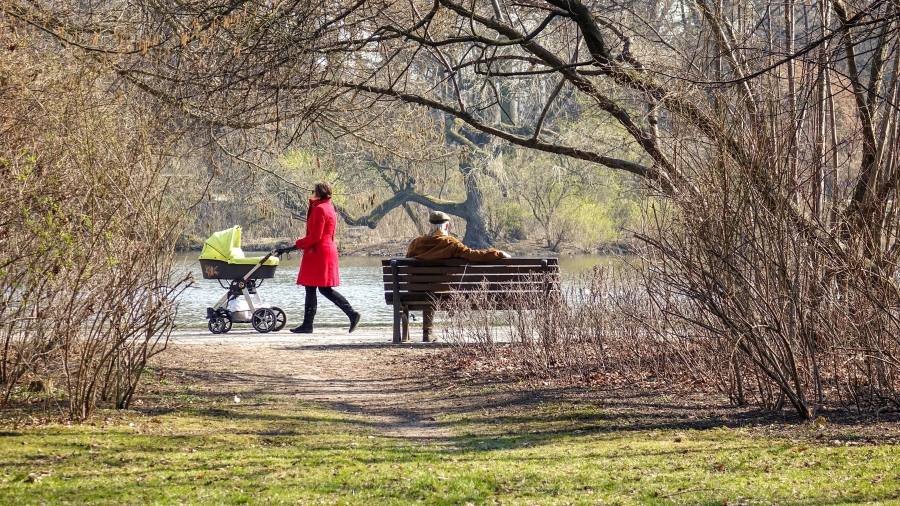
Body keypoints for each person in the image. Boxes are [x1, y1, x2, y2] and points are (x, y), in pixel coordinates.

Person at [406, 211, 510, 342]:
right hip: (441, 292)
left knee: (428, 287)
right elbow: (474, 255)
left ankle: (427, 331)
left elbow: (408, 264)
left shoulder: (416, 243)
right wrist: (497, 253)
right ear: (447, 226)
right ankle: (428, 331)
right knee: (434, 288)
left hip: (415, 291)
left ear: (429, 225)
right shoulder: (451, 243)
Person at [275, 182, 361, 334]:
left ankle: (349, 314)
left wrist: (299, 243)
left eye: (313, 190)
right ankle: (311, 323)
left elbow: (316, 235)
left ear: (319, 193)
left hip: (319, 252)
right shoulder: (328, 207)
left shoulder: (320, 209)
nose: (311, 192)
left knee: (319, 288)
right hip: (324, 251)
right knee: (318, 288)